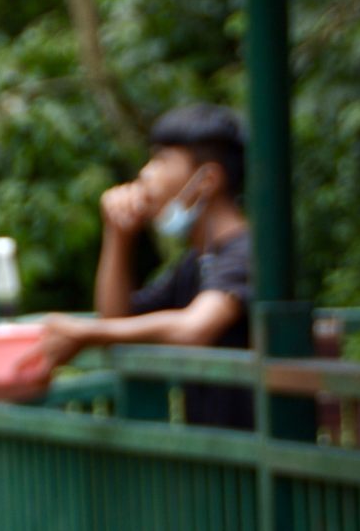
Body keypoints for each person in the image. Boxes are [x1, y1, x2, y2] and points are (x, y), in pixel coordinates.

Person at [28, 104, 255, 429]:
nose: (145, 174)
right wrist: (118, 235)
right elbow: (117, 320)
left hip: (260, 464)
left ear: (207, 180)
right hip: (219, 463)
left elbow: (194, 328)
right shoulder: (196, 263)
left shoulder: (247, 252)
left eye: (161, 161)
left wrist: (85, 332)